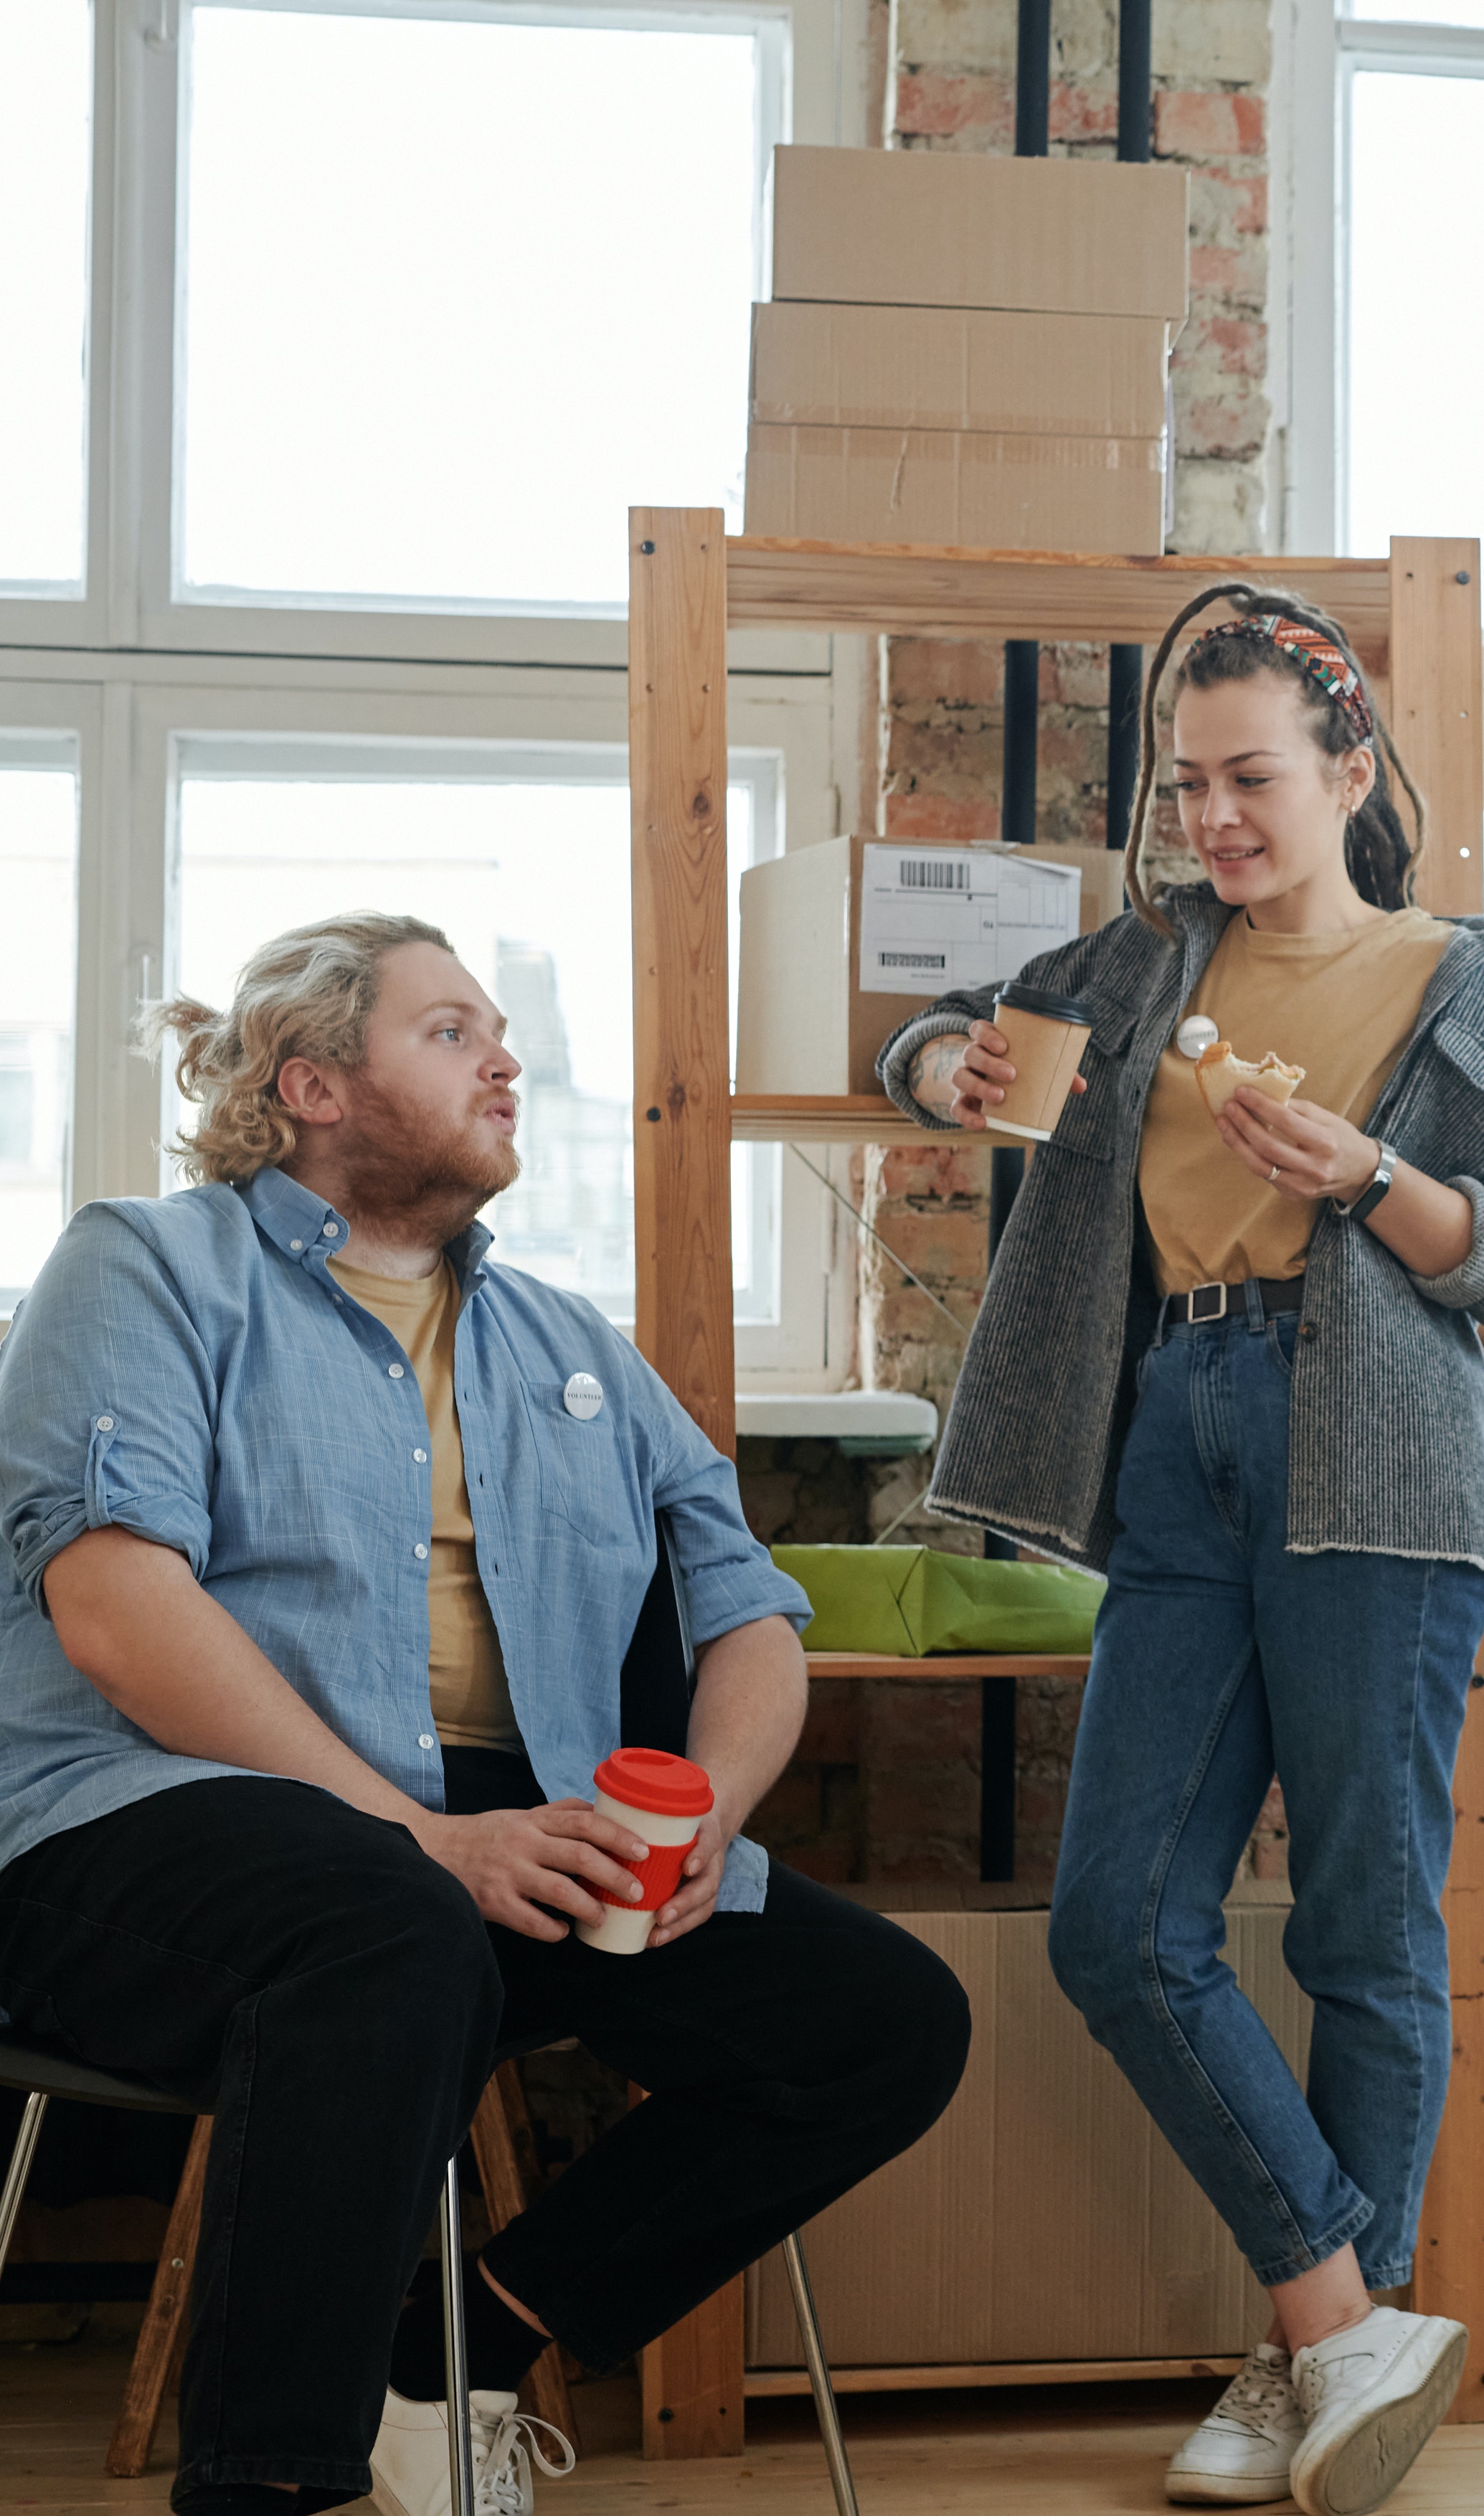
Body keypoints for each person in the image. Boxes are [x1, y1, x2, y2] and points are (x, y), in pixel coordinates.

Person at [0, 913, 971, 2516]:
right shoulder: (147, 1265)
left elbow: (748, 1607)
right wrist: (422, 1839)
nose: (506, 1057)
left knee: (875, 2020)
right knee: (386, 1928)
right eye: (451, 1030)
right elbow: (114, 1609)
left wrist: (705, 1817)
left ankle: (448, 2349)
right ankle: (272, 2487)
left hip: (484, 1845)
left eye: (499, 1029)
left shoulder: (564, 1343)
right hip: (141, 1827)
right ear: (312, 1082)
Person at [880, 585, 1484, 2516]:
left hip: (1373, 1466)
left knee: (1370, 1932)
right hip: (1172, 1456)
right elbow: (961, 1038)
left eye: (1251, 775)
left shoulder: (1468, 993)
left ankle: (1306, 2365)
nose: (1212, 813)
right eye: (1186, 782)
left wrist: (1372, 1179)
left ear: (1347, 769)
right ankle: (1339, 2312)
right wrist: (936, 1066)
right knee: (1121, 1926)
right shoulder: (1134, 960)